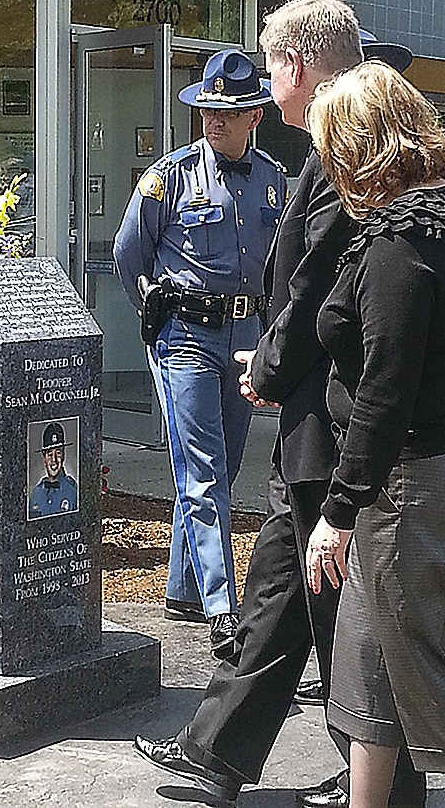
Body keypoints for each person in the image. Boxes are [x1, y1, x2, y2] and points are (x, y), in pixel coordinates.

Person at [133, 0, 425, 808]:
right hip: (308, 414)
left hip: (329, 415)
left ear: (296, 66)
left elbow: (315, 285)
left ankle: (384, 773)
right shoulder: (321, 148)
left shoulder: (342, 152)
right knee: (280, 586)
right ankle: (219, 750)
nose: (266, 85)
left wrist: (266, 363)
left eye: (270, 67)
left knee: (330, 596)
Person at [304, 61, 445, 806]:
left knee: (433, 674)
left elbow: (385, 391)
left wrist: (337, 512)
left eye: (329, 147)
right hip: (420, 475)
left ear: (357, 145)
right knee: (369, 668)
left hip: (409, 487)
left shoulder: (399, 244)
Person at [113, 48, 286, 659]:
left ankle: (184, 587)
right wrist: (153, 313)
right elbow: (129, 254)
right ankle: (221, 606)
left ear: (254, 118)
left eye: (228, 112)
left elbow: (277, 269)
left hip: (246, 340)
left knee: (226, 465)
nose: (215, 121)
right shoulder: (169, 178)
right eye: (207, 110)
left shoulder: (273, 181)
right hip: (184, 335)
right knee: (203, 470)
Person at [28, 422, 77, 518]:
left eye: (58, 453)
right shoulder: (36, 493)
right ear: (44, 458)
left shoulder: (73, 491)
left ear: (63, 455)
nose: (53, 460)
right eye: (49, 454)